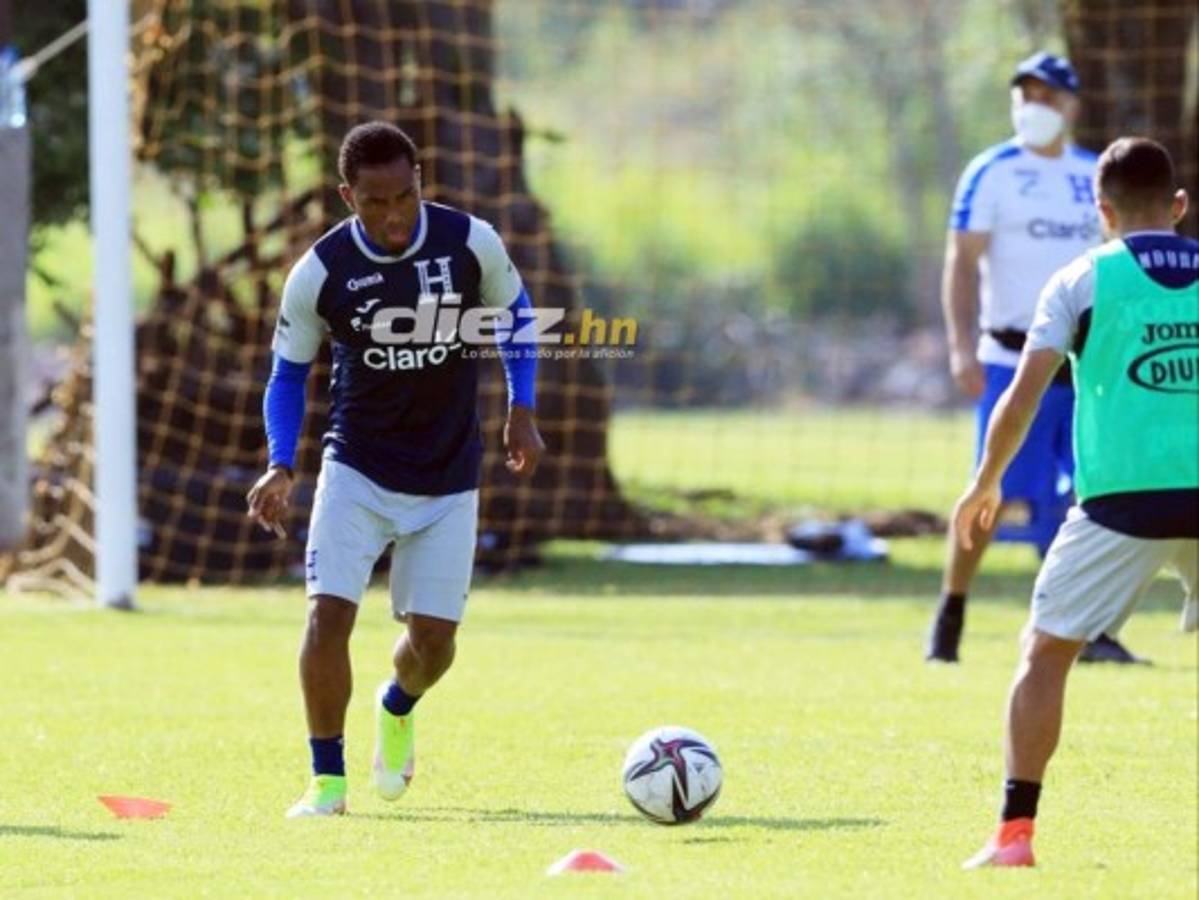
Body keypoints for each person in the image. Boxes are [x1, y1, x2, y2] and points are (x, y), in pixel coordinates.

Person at [245, 121, 546, 817]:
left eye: (403, 197)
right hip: (357, 466)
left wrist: (521, 407)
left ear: (420, 183)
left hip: (447, 473)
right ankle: (326, 781)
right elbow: (287, 376)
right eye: (373, 202)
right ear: (348, 195)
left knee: (434, 646)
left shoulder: (470, 242)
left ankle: (397, 705)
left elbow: (517, 316)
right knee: (327, 617)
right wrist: (280, 463)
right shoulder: (319, 274)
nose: (390, 215)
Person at [954, 136, 1197, 868]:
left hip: (1120, 505)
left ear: (1102, 210)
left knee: (1046, 653)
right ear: (1179, 207)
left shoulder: (1080, 278)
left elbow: (1021, 398)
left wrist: (985, 479)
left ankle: (1012, 837)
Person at [928, 51, 1143, 664]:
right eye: (1025, 94)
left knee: (1093, 496)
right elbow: (961, 264)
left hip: (1090, 366)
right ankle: (952, 609)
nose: (1035, 107)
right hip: (1010, 358)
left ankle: (1093, 628)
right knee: (992, 494)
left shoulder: (1093, 174)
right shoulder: (990, 172)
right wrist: (958, 346)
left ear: (1072, 105)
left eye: (1048, 96)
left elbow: (1121, 263)